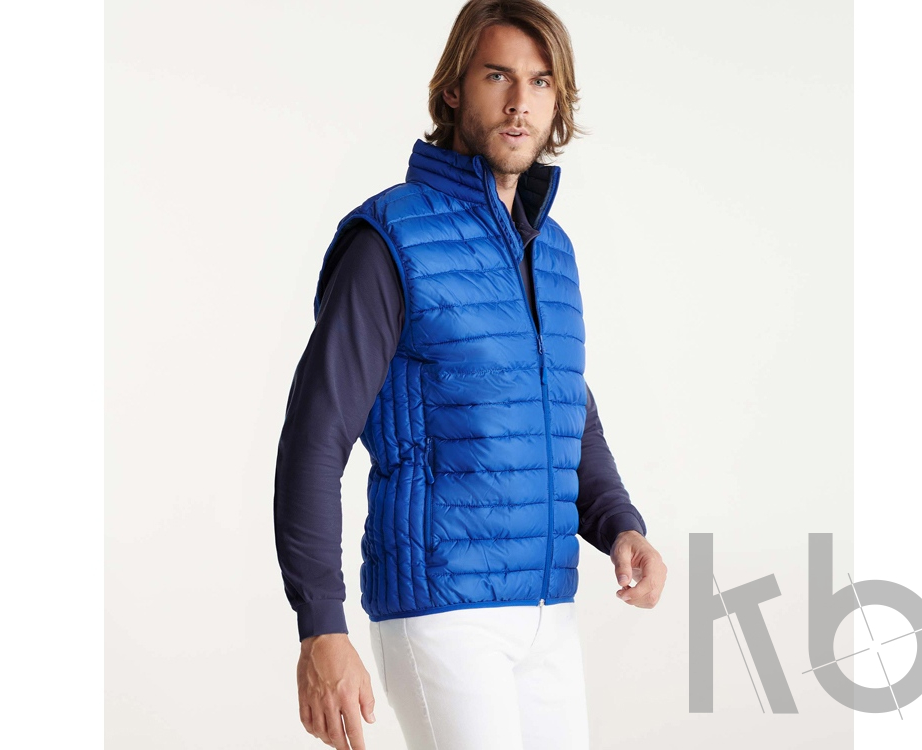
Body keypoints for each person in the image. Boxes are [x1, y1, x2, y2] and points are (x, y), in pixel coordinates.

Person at [273, 1, 668, 748]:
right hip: (442, 610)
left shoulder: (553, 250)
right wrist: (321, 625)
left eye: (540, 82)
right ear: (454, 89)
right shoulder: (390, 238)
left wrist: (620, 524)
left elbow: (563, 405)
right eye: (497, 76)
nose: (521, 102)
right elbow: (315, 436)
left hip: (547, 609)